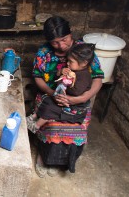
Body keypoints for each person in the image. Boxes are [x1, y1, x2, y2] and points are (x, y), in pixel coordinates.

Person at [28, 16, 104, 177]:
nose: (61, 45)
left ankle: (67, 158)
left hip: (79, 98)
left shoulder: (83, 51)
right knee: (51, 116)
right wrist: (53, 93)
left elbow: (98, 78)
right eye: (55, 42)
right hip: (50, 94)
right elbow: (37, 77)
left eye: (64, 39)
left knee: (76, 125)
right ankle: (44, 155)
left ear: (70, 33)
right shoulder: (44, 52)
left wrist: (82, 98)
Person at [27, 43, 96, 133]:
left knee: (51, 108)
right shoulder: (72, 70)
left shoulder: (84, 76)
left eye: (71, 61)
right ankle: (33, 117)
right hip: (64, 99)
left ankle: (35, 126)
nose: (67, 63)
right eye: (68, 60)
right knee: (47, 100)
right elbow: (57, 81)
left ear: (84, 63)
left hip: (74, 106)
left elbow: (76, 92)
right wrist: (60, 73)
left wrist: (65, 84)